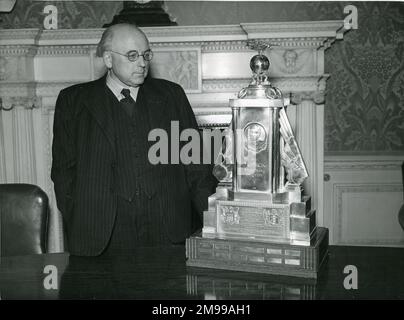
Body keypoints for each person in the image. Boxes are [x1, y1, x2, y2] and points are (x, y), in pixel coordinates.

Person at [51, 23, 217, 257]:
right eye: (132, 56)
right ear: (108, 59)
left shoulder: (171, 96)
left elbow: (197, 166)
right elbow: (63, 172)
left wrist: (213, 223)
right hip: (102, 239)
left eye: (146, 55)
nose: (142, 63)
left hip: (169, 233)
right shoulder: (73, 102)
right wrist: (81, 221)